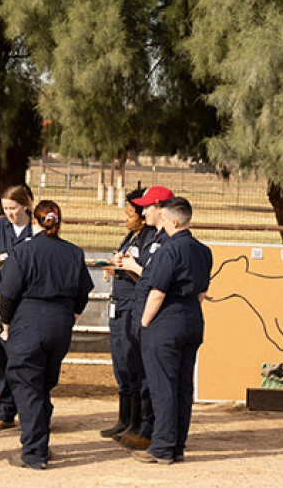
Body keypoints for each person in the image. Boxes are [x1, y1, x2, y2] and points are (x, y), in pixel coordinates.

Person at [0, 200, 94, 469]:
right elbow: (84, 292)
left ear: (35, 221)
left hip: (28, 321)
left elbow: (8, 294)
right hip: (60, 323)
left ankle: (34, 452)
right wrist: (70, 316)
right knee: (43, 384)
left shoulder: (23, 252)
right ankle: (41, 442)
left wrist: (5, 326)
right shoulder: (74, 253)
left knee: (27, 386)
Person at [133, 196, 211, 465]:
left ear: (175, 221)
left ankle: (162, 446)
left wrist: (144, 323)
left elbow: (157, 292)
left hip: (166, 321)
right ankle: (177, 443)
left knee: (162, 384)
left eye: (164, 219)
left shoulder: (169, 250)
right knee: (182, 384)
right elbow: (202, 293)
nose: (162, 224)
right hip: (192, 317)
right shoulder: (203, 250)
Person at [115, 184, 174, 450]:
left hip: (153, 316)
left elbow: (156, 280)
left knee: (152, 377)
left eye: (148, 206)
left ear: (160, 207)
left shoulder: (164, 241)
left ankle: (152, 431)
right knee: (137, 370)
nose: (145, 211)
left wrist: (133, 267)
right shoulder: (152, 238)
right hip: (140, 310)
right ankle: (140, 425)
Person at [100, 188, 159, 440]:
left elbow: (148, 275)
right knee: (121, 364)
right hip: (118, 305)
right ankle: (124, 419)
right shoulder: (131, 237)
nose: (125, 219)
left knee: (133, 363)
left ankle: (137, 422)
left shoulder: (149, 239)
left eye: (130, 214)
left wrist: (125, 268)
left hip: (131, 306)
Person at [0, 184, 35, 431]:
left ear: (25, 206)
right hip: (4, 296)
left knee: (30, 357)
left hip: (30, 298)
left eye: (13, 208)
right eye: (6, 209)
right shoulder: (0, 227)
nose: (10, 213)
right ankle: (5, 409)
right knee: (3, 354)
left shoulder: (37, 226)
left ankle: (34, 411)